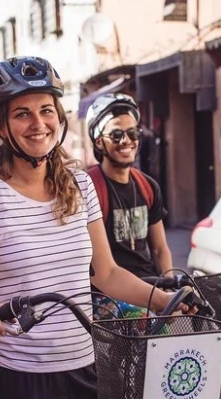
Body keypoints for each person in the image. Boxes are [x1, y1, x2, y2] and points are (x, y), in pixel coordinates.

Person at [0, 56, 188, 399]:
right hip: (14, 385)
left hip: (89, 373)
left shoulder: (79, 187)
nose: (38, 123)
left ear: (60, 117)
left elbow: (106, 274)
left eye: (46, 110)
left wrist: (163, 300)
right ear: (1, 125)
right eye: (22, 113)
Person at [85, 93, 173, 319]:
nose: (126, 140)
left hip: (150, 287)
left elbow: (160, 248)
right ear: (98, 141)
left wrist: (171, 286)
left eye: (132, 133)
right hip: (107, 296)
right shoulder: (88, 188)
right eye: (116, 134)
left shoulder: (148, 186)